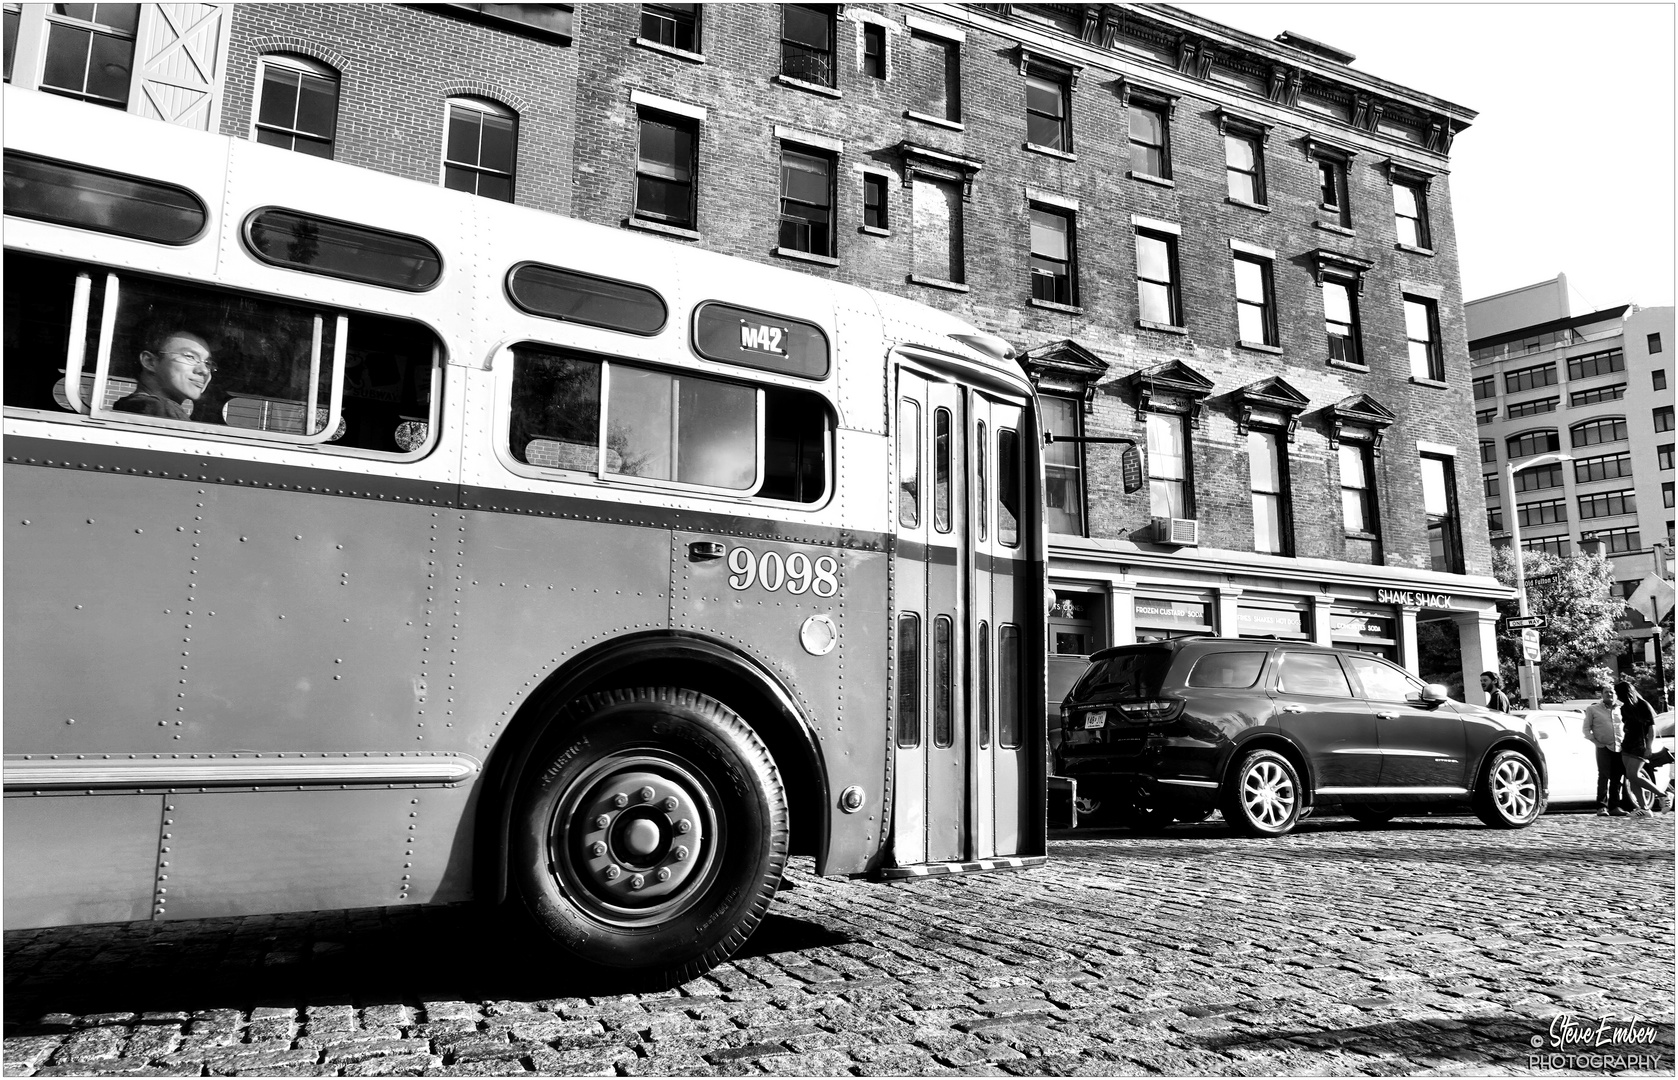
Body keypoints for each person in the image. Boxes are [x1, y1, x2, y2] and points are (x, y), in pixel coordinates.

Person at [114, 329, 214, 420]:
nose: (204, 370)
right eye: (190, 357)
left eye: (207, 363)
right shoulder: (159, 410)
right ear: (149, 362)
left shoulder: (128, 407)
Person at [1615, 680, 1662, 818]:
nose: (1617, 696)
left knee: (1634, 774)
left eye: (1618, 693)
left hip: (1640, 744)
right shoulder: (1624, 708)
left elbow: (1651, 728)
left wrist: (1649, 747)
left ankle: (1663, 795)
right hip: (1627, 744)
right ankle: (1644, 808)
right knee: (1630, 777)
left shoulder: (1643, 705)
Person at [1582, 686, 1628, 817]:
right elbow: (1586, 729)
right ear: (1601, 695)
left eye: (1612, 692)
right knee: (1603, 776)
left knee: (1617, 777)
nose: (1610, 694)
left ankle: (1615, 806)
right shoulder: (1593, 709)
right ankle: (1602, 807)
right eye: (1606, 692)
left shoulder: (1621, 709)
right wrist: (1597, 742)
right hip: (1604, 747)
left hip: (1619, 747)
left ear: (1616, 695)